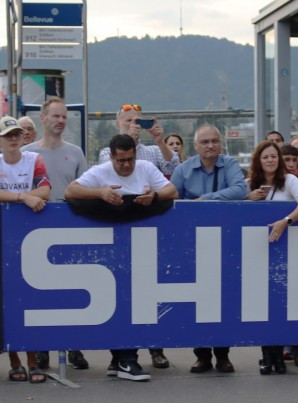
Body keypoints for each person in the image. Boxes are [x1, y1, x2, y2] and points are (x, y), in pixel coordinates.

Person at [65, 134, 178, 381]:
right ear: (111, 157)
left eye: (130, 160)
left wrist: (154, 197)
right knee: (116, 301)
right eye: (120, 161)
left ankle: (122, 360)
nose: (126, 165)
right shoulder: (100, 171)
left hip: (141, 251)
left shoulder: (147, 168)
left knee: (136, 302)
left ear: (135, 155)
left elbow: (172, 190)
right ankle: (123, 359)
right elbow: (70, 190)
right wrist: (100, 193)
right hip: (107, 252)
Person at [100, 103, 179, 369]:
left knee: (152, 292)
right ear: (117, 124)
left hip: (150, 229)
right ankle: (117, 357)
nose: (134, 125)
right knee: (120, 295)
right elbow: (109, 178)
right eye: (129, 121)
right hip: (120, 230)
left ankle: (156, 349)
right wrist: (128, 143)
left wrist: (160, 140)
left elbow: (173, 169)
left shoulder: (153, 151)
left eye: (138, 121)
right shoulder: (106, 153)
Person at [171, 124, 249, 373]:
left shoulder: (230, 165)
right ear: (195, 146)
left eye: (214, 141)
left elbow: (240, 190)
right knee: (198, 300)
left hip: (226, 240)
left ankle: (223, 354)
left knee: (223, 297)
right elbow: (172, 197)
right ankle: (202, 354)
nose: (210, 146)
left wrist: (205, 200)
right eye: (205, 142)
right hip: (193, 243)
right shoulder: (183, 170)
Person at [245, 139, 298, 374]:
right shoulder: (250, 184)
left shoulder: (290, 181)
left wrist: (286, 221)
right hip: (259, 252)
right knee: (262, 305)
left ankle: (280, 355)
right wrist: (248, 197)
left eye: (274, 156)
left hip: (288, 251)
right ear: (258, 162)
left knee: (281, 304)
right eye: (265, 157)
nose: (270, 160)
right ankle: (266, 355)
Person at [26, 97, 91, 371]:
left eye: (64, 117)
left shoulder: (75, 152)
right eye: (55, 116)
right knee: (40, 293)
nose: (60, 121)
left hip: (70, 230)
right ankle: (41, 350)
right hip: (34, 231)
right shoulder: (28, 153)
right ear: (43, 118)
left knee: (72, 290)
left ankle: (73, 346)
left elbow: (86, 189)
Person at [0, 115, 51, 383]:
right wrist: (24, 197)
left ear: (23, 137)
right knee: (8, 301)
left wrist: (31, 196)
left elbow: (46, 189)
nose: (12, 138)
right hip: (3, 239)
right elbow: (33, 194)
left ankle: (33, 362)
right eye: (7, 134)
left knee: (28, 299)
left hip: (28, 239)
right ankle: (14, 360)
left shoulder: (34, 160)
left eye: (16, 134)